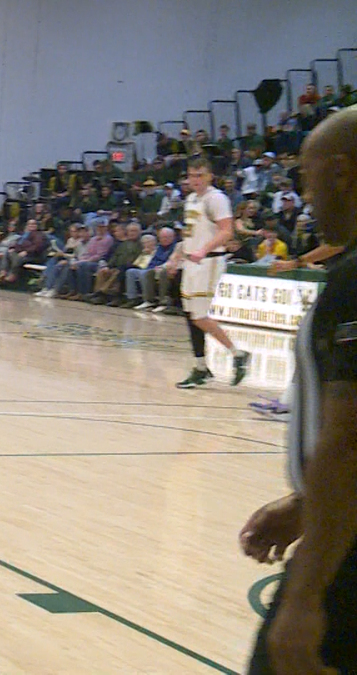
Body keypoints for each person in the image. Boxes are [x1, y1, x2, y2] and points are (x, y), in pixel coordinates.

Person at [240, 106, 357, 675]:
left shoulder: (354, 279)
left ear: (341, 174)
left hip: (345, 558)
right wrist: (309, 503)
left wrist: (307, 592)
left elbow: (351, 439)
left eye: (309, 181)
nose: (307, 200)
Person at [170, 158, 251, 388]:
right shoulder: (191, 199)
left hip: (209, 262)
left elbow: (227, 231)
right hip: (191, 262)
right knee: (191, 317)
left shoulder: (216, 198)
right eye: (191, 176)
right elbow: (190, 233)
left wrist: (204, 250)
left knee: (199, 316)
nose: (194, 180)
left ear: (209, 176)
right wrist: (177, 255)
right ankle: (201, 367)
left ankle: (237, 354)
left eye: (199, 175)